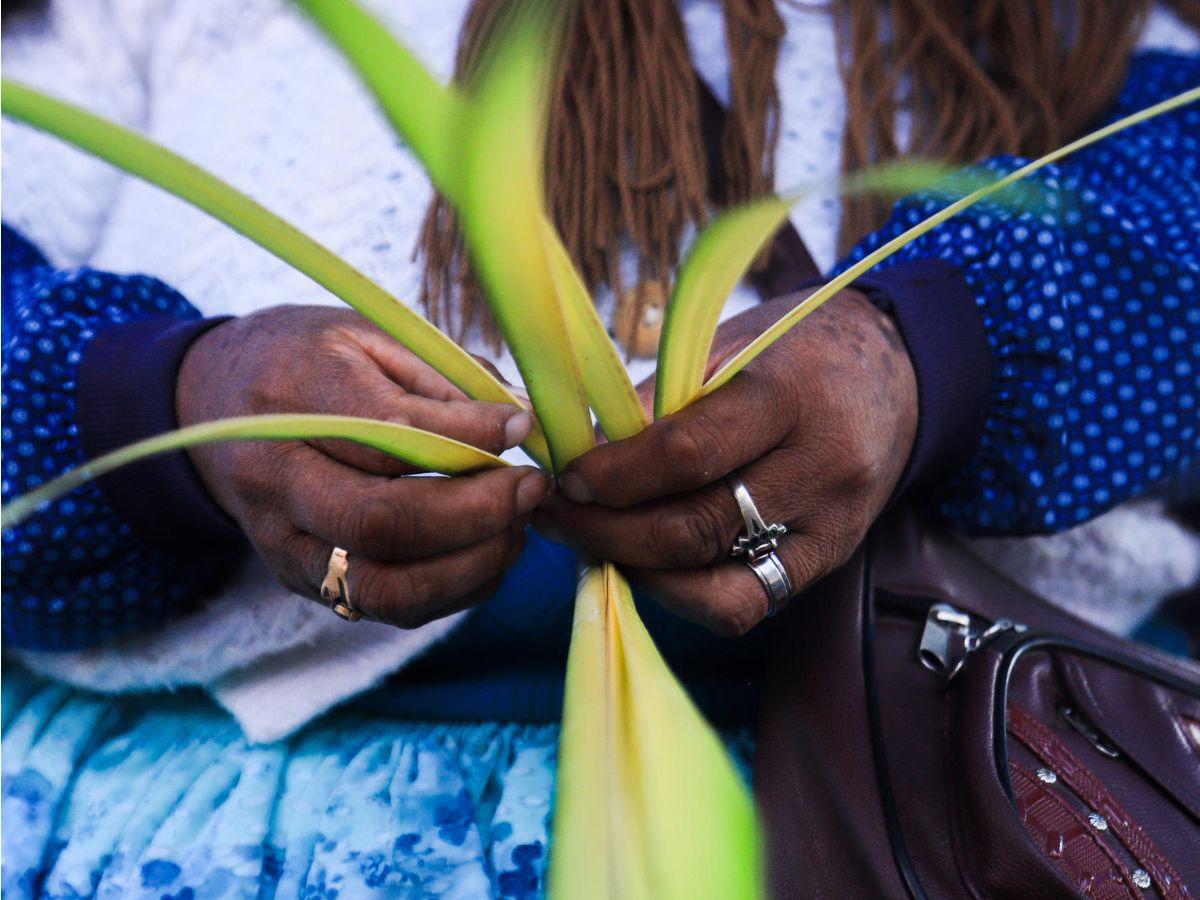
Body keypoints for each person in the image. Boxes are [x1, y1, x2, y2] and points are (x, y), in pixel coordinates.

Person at [3, 0, 1198, 896]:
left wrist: (925, 354)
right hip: (234, 815)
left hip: (956, 802)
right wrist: (170, 408)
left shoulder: (1050, 19)